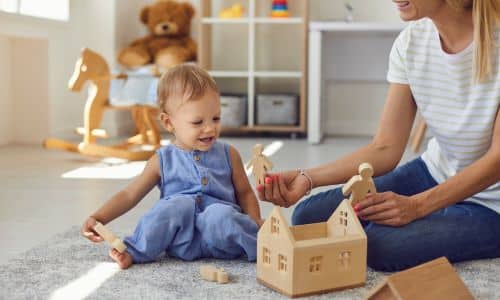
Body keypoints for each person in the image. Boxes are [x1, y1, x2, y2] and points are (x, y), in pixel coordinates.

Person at [259, 0, 500, 272]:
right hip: (435, 172)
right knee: (310, 218)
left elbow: (497, 161)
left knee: (379, 244)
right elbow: (385, 148)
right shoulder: (411, 42)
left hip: (493, 203)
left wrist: (418, 206)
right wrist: (307, 178)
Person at [81, 64, 263, 269]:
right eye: (197, 122)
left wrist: (255, 220)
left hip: (222, 238)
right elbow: (129, 195)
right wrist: (98, 217)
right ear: (169, 123)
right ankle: (135, 251)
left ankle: (263, 247)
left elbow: (245, 193)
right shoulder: (162, 160)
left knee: (220, 214)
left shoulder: (229, 154)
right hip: (181, 241)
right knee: (173, 207)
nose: (210, 128)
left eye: (216, 118)